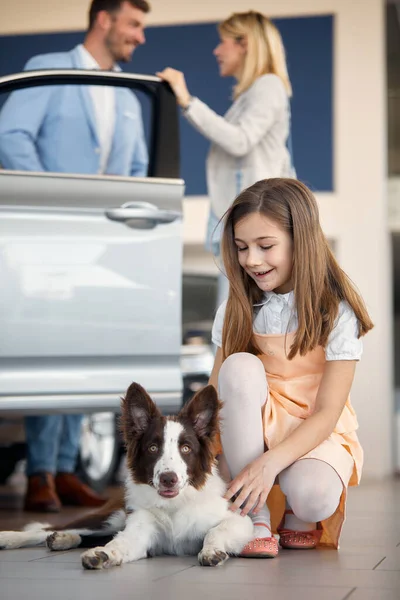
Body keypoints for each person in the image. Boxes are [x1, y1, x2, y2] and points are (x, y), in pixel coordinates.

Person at [0, 0, 151, 513]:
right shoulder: (47, 69)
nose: (140, 36)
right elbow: (12, 136)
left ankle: (66, 468)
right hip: (48, 231)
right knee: (48, 349)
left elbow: (135, 168)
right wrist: (57, 201)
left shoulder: (130, 95)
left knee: (85, 351)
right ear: (103, 19)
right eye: (134, 23)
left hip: (99, 242)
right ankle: (40, 471)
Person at [207, 178, 373, 557]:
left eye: (265, 246)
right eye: (241, 247)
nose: (251, 260)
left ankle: (298, 514)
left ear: (302, 242)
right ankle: (256, 515)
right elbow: (217, 395)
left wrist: (270, 464)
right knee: (239, 367)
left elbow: (329, 412)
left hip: (313, 428)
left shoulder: (336, 312)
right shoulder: (235, 309)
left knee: (315, 497)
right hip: (250, 430)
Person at [157, 11, 295, 306]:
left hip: (255, 223)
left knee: (240, 313)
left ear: (244, 43)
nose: (216, 51)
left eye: (222, 42)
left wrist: (187, 100)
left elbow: (239, 140)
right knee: (236, 313)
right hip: (245, 224)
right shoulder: (254, 93)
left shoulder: (268, 85)